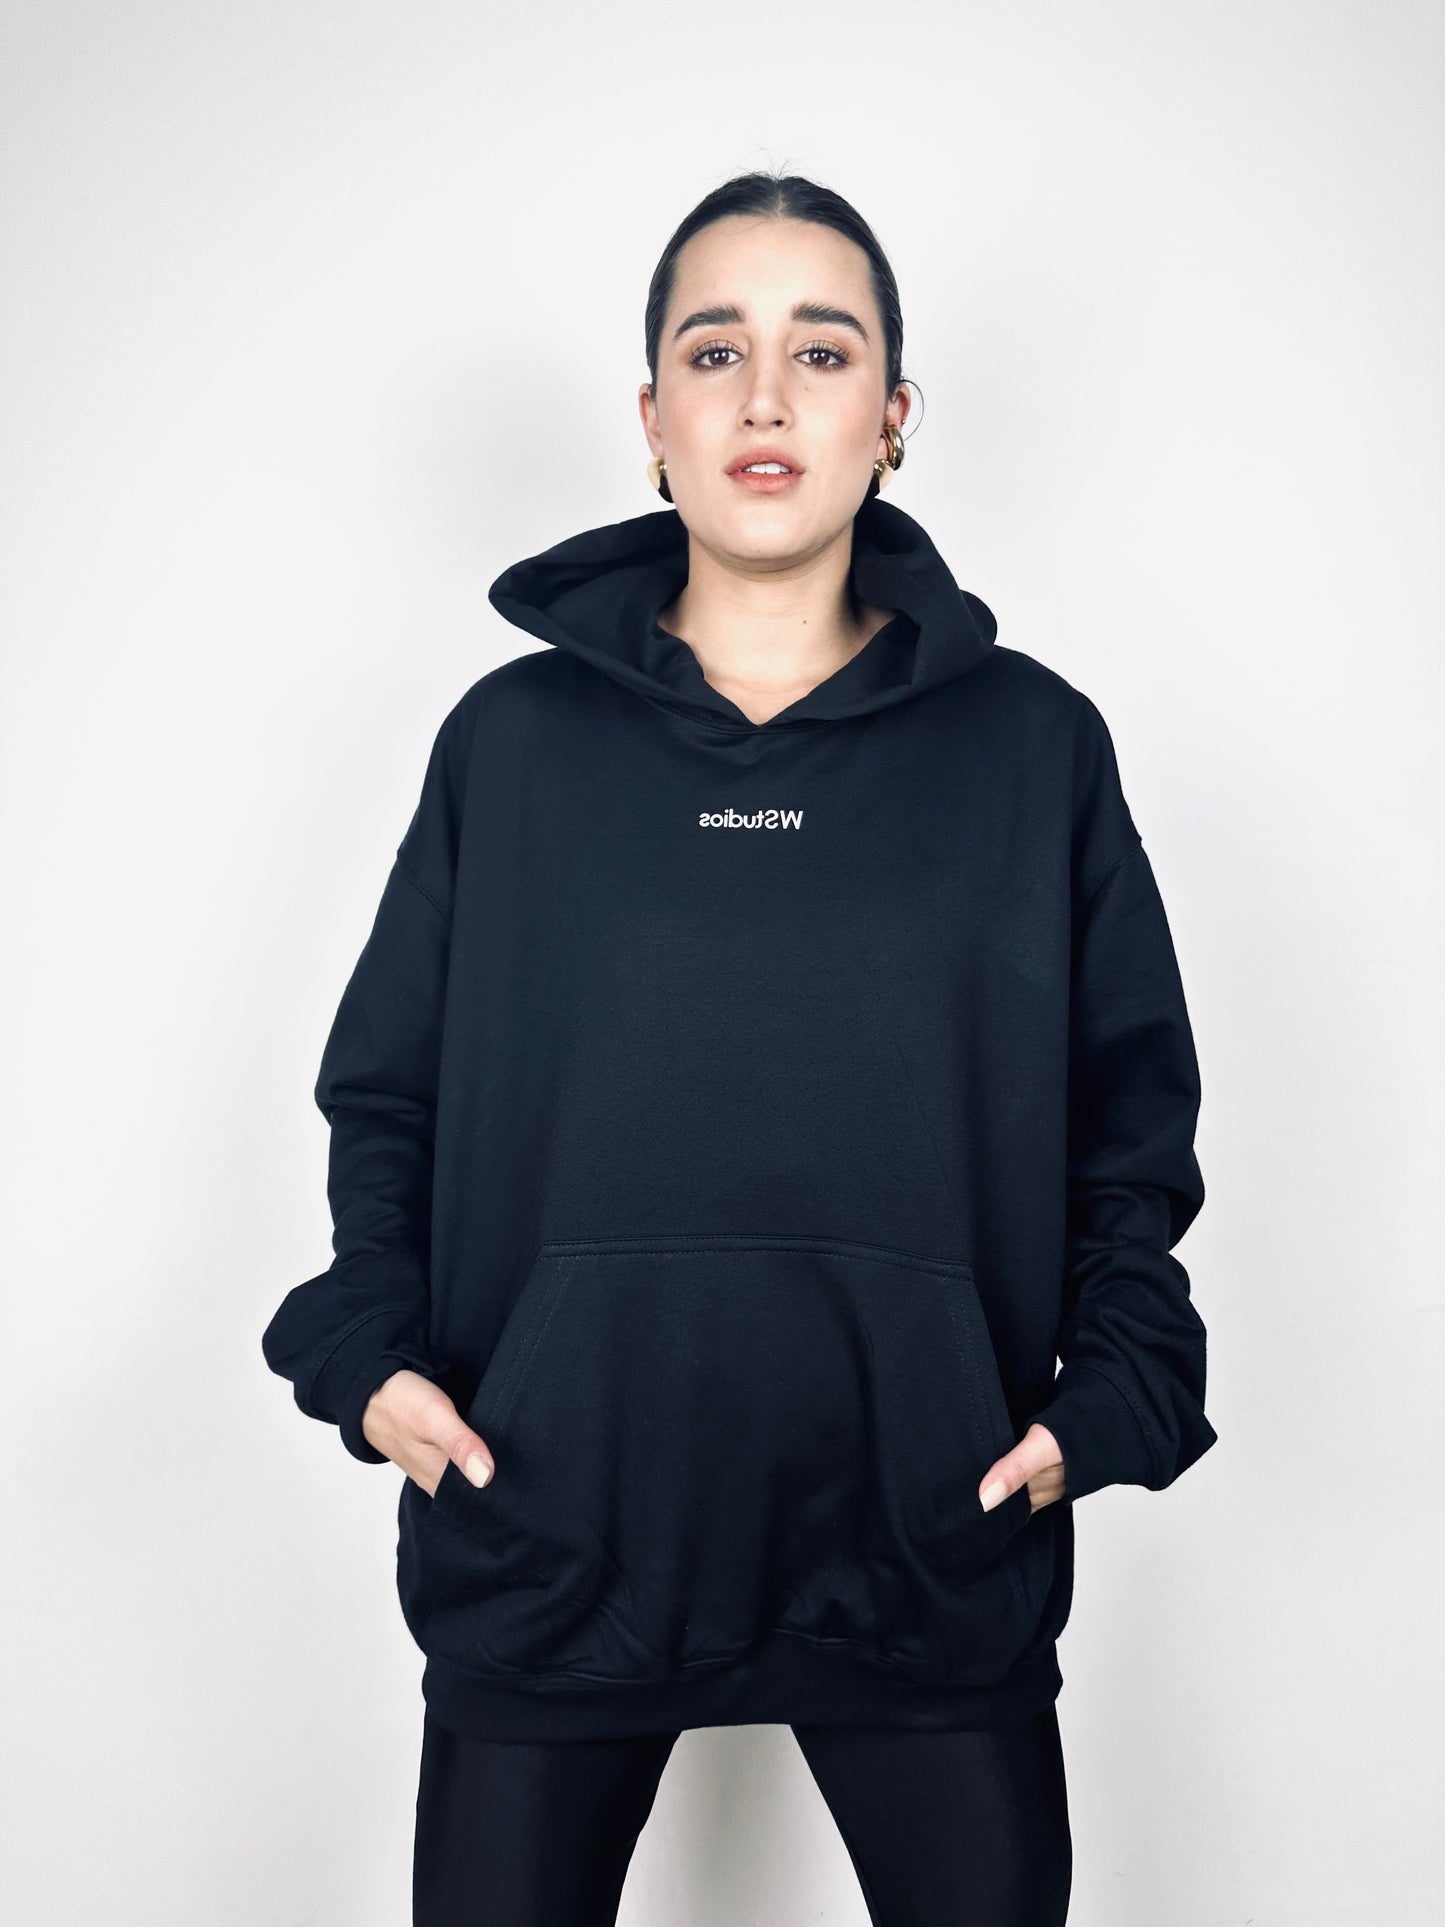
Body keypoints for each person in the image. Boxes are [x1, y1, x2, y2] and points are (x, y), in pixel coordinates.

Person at [261, 169, 1217, 1926]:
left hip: (929, 1545)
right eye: (715, 351)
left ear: (892, 415)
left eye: (820, 351)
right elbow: (388, 1092)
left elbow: (1127, 1123)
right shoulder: (510, 746)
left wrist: (1099, 1401)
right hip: (552, 1534)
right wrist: (376, 1358)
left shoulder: (1031, 750)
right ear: (652, 419)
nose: (765, 396)